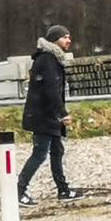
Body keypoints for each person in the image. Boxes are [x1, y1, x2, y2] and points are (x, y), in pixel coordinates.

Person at [17, 24, 84, 206]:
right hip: (42, 116)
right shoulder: (47, 59)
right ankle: (18, 191)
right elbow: (51, 90)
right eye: (65, 37)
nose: (69, 40)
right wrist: (62, 114)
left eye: (69, 37)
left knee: (57, 151)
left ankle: (63, 189)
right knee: (39, 153)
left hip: (49, 116)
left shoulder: (53, 59)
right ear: (55, 40)